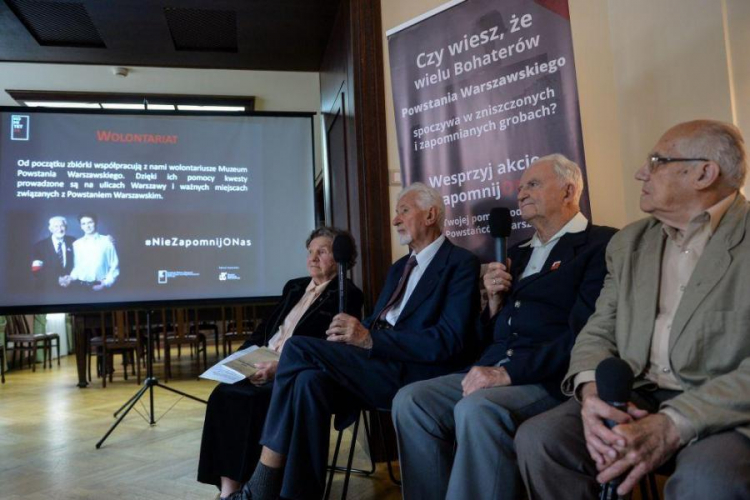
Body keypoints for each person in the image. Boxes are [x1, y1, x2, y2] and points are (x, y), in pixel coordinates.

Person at [516, 120, 750, 499]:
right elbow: (598, 329)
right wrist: (591, 396)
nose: (642, 172)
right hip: (638, 394)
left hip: (725, 406)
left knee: (708, 480)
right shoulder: (629, 242)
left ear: (704, 173)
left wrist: (675, 422)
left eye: (657, 161)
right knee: (542, 440)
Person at [225, 182, 481, 500]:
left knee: (297, 346)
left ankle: (262, 482)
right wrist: (354, 337)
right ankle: (297, 495)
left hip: (413, 372)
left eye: (404, 210)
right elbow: (377, 322)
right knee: (306, 381)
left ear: (430, 214)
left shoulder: (460, 264)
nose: (395, 220)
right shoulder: (400, 267)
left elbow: (449, 341)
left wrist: (369, 340)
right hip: (374, 364)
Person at [391, 155, 617, 500]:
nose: (521, 194)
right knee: (411, 400)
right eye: (521, 186)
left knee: (478, 407)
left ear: (569, 190)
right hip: (496, 365)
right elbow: (495, 333)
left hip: (549, 376)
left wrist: (508, 373)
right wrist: (493, 305)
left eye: (533, 185)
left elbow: (587, 333)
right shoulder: (518, 252)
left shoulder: (600, 245)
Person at [197, 227, 364, 499]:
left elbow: (331, 349)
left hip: (291, 371)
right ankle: (229, 492)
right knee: (223, 395)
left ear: (340, 258)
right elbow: (264, 329)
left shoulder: (347, 294)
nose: (313, 258)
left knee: (252, 401)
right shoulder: (295, 286)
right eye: (310, 252)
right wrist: (239, 359)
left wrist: (279, 368)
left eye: (322, 251)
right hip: (262, 358)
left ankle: (260, 486)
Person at [64, 213, 119, 291]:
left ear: (95, 223)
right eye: (84, 224)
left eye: (90, 222)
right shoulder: (76, 244)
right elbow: (77, 267)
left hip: (101, 285)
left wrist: (106, 283)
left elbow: (114, 266)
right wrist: (71, 277)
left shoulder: (107, 241)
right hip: (80, 286)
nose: (87, 226)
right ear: (81, 226)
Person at [31, 215, 75, 288]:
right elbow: (36, 270)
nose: (60, 229)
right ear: (50, 229)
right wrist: (57, 279)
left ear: (66, 228)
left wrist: (71, 277)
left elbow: (79, 263)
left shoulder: (73, 242)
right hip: (48, 288)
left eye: (62, 226)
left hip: (70, 286)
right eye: (56, 226)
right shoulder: (39, 246)